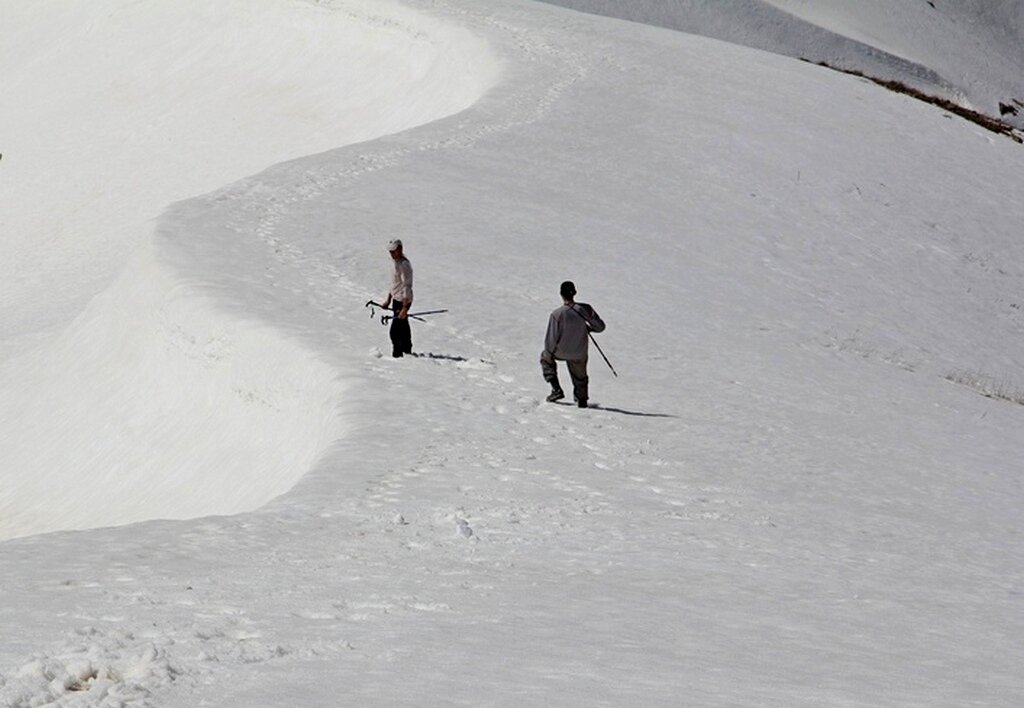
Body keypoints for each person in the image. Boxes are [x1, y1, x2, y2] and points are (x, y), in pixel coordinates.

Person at [541, 281, 605, 408]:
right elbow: (600, 327)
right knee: (580, 375)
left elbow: (551, 340)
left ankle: (556, 389)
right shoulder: (585, 309)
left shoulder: (557, 314)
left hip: (561, 351)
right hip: (579, 352)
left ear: (561, 294)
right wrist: (588, 328)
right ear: (575, 293)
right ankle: (582, 400)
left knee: (545, 357)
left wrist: (549, 353)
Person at [381, 238, 413, 357]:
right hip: (396, 299)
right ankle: (407, 350)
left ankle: (398, 355)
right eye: (390, 251)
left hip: (404, 300)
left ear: (400, 249)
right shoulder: (394, 263)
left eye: (394, 251)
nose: (392, 253)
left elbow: (407, 286)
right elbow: (394, 283)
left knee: (394, 332)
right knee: (403, 326)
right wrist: (388, 300)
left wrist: (405, 308)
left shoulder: (404, 265)